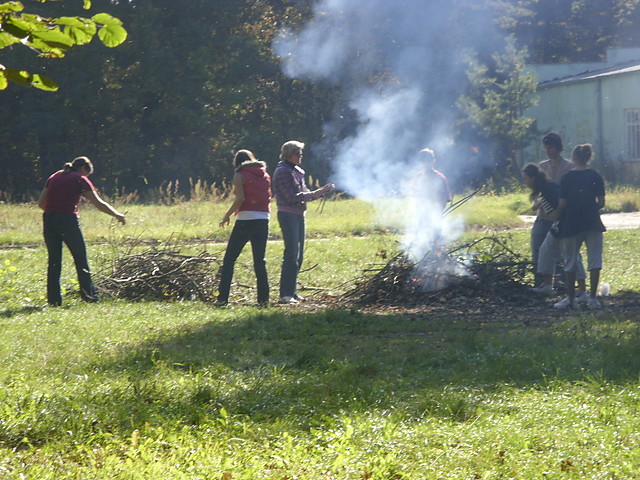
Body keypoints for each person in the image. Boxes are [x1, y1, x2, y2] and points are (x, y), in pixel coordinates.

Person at [37, 156, 126, 306]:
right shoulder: (79, 178)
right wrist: (117, 214)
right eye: (87, 174)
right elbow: (98, 203)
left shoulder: (54, 176)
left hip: (49, 220)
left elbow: (40, 203)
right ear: (84, 169)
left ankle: (54, 301)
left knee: (54, 261)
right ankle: (89, 296)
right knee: (80, 259)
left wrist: (55, 212)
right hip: (68, 221)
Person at [272, 140, 334, 304]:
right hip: (288, 214)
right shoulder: (283, 171)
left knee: (299, 255)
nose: (300, 156)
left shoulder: (298, 171)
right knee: (291, 253)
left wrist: (320, 193)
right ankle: (285, 294)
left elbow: (305, 192)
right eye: (297, 154)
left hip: (299, 214)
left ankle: (292, 291)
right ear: (288, 155)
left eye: (301, 153)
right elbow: (291, 197)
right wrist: (316, 192)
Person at [522, 164, 587, 299]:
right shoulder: (544, 189)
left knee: (572, 256)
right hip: (559, 224)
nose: (525, 182)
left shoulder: (547, 189)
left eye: (526, 178)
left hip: (567, 224)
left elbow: (558, 209)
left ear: (533, 178)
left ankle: (582, 290)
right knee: (545, 250)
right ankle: (547, 286)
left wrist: (554, 214)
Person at [553, 144, 606, 310]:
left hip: (572, 223)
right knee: (594, 261)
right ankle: (593, 297)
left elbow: (562, 203)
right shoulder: (595, 176)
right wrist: (589, 209)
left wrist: (556, 214)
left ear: (573, 158)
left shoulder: (567, 177)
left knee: (570, 261)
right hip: (592, 222)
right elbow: (601, 202)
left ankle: (570, 298)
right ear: (589, 157)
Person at [216, 150, 271, 306]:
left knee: (229, 260)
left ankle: (222, 299)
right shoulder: (265, 174)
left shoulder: (240, 174)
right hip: (263, 219)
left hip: (245, 220)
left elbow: (240, 198)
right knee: (259, 261)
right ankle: (263, 300)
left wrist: (227, 215)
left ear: (237, 162)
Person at [530, 132, 575, 286]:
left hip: (561, 217)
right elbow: (537, 190)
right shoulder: (542, 167)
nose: (548, 150)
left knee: (563, 252)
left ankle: (563, 282)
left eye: (551, 147)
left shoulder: (569, 167)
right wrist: (536, 202)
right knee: (537, 248)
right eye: (546, 147)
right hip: (543, 217)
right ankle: (540, 282)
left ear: (558, 148)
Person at [418, 148, 452, 213]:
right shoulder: (419, 176)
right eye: (422, 161)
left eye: (427, 161)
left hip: (435, 213)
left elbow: (444, 198)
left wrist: (438, 212)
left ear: (433, 161)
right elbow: (413, 192)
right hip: (421, 213)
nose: (425, 164)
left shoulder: (439, 177)